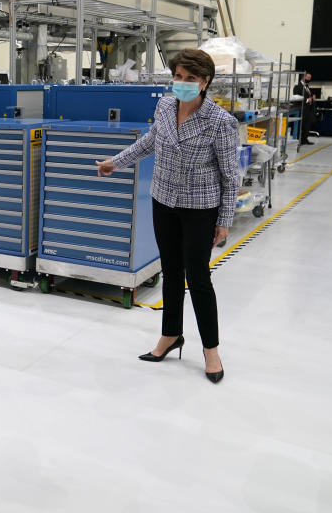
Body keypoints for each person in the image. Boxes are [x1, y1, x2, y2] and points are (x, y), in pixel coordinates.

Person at [96, 49, 239, 384]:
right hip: (163, 200)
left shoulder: (220, 121)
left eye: (191, 78)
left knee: (198, 278)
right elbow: (151, 142)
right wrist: (115, 162)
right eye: (178, 76)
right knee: (171, 272)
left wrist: (224, 220)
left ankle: (211, 349)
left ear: (205, 82)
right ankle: (171, 334)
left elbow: (230, 176)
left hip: (200, 207)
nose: (183, 83)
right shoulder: (164, 106)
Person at [292, 72, 316, 146]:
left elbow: (309, 96)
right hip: (301, 109)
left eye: (310, 78)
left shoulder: (307, 86)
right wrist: (307, 100)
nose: (309, 79)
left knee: (307, 125)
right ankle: (299, 140)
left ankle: (305, 139)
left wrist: (312, 98)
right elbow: (297, 97)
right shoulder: (297, 87)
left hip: (308, 109)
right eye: (308, 78)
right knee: (301, 125)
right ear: (303, 77)